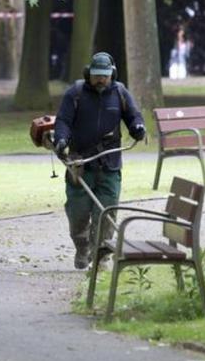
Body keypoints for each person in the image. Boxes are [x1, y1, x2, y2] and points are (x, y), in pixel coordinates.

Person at [53, 52, 146, 269]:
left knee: (107, 212)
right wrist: (61, 139)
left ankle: (101, 257)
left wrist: (138, 128)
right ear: (89, 74)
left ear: (112, 74)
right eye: (96, 75)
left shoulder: (120, 92)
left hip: (110, 164)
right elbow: (63, 120)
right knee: (77, 212)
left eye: (105, 75)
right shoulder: (75, 93)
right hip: (79, 164)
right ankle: (82, 246)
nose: (101, 79)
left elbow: (134, 116)